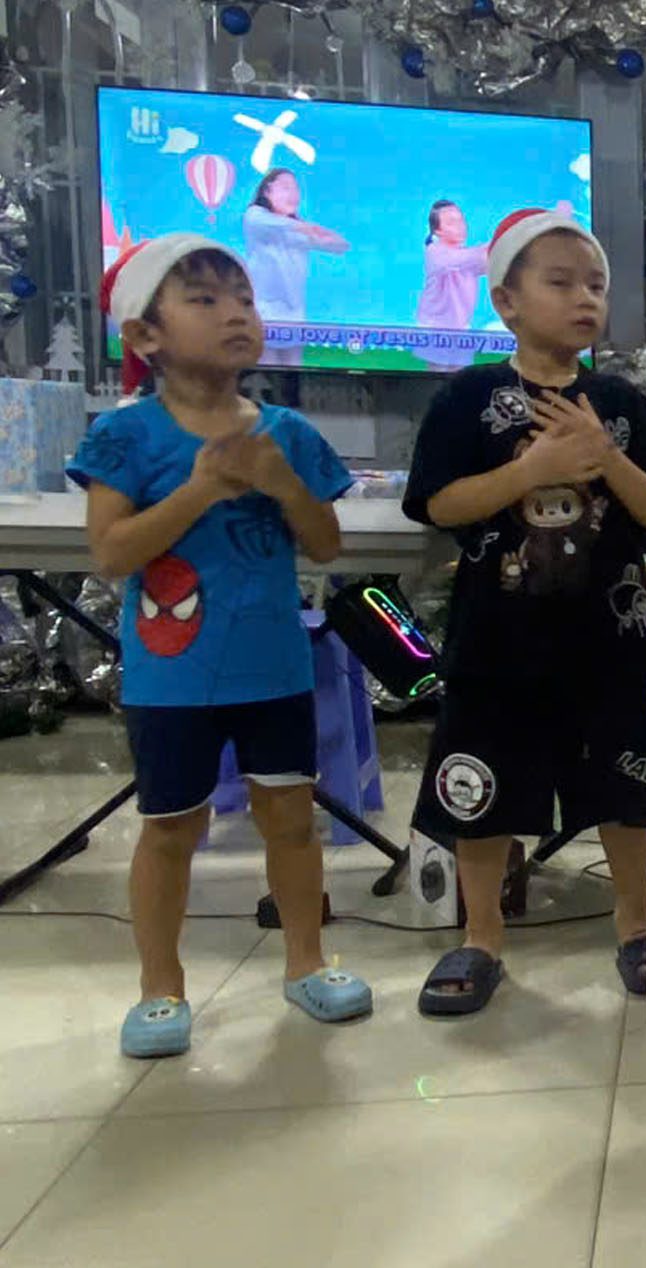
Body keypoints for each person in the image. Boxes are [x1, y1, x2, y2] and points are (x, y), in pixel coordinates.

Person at [69, 234, 367, 1059]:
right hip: (171, 674)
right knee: (170, 828)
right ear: (145, 334)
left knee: (292, 822)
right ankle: (160, 988)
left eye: (244, 298)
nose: (235, 313)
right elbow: (112, 553)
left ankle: (306, 964)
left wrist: (281, 483)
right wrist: (202, 487)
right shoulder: (126, 436)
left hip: (274, 668)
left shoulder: (286, 433)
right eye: (204, 300)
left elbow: (327, 544)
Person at [403, 209, 646, 1016]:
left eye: (594, 284)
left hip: (608, 644)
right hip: (499, 645)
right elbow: (440, 504)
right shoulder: (469, 398)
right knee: (481, 792)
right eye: (559, 282)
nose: (583, 298)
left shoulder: (620, 402)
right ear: (506, 302)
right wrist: (538, 468)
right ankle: (481, 936)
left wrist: (605, 456)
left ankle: (638, 927)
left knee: (625, 793)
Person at [242, 169, 349, 367]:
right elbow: (269, 222)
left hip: (294, 318)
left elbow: (340, 246)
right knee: (267, 372)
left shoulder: (298, 230)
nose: (293, 194)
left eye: (296, 189)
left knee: (294, 374)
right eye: (285, 187)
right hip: (264, 315)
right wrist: (303, 227)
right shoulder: (255, 216)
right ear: (267, 191)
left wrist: (315, 231)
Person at [416, 200, 490, 369]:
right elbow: (464, 259)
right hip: (435, 330)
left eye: (461, 220)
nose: (460, 226)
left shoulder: (468, 255)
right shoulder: (435, 252)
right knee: (437, 378)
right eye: (451, 222)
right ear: (438, 230)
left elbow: (491, 262)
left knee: (461, 378)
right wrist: (498, 242)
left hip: (461, 330)